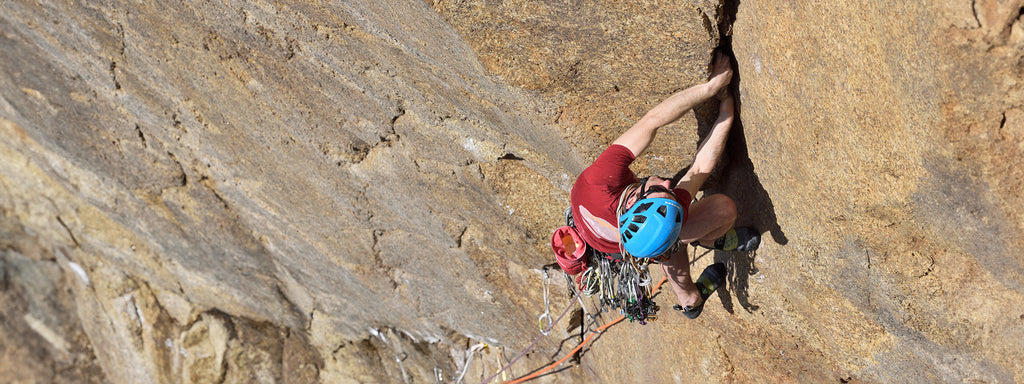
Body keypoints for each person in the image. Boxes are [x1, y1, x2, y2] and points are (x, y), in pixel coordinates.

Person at [568, 52, 759, 318]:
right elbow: (699, 168)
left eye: (664, 189)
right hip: (620, 243)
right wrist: (725, 110)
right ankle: (697, 278)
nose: (670, 182)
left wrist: (714, 93)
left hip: (611, 234)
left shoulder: (601, 179)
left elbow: (653, 121)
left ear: (634, 200)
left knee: (669, 244)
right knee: (722, 211)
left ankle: (695, 272)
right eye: (666, 190)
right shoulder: (630, 199)